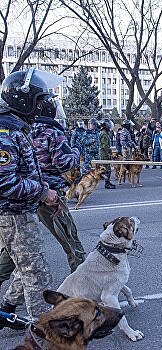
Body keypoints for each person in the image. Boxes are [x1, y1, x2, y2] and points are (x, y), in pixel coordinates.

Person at [0, 95, 86, 290]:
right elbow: (63, 162)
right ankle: (83, 286)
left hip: (25, 195)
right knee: (71, 242)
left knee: (16, 249)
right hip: (48, 195)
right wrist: (75, 153)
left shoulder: (24, 129)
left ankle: (9, 298)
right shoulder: (52, 132)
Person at [0, 68, 57, 329]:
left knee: (25, 268)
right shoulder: (6, 132)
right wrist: (42, 191)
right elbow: (5, 182)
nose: (41, 107)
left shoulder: (15, 127)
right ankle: (43, 334)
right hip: (14, 215)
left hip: (19, 213)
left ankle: (7, 310)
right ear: (22, 99)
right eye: (38, 100)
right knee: (37, 274)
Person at [99, 119, 116, 189]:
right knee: (107, 169)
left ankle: (107, 182)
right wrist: (109, 154)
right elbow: (105, 146)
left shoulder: (104, 132)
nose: (109, 126)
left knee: (106, 168)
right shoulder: (104, 134)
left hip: (104, 153)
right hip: (104, 154)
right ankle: (107, 183)